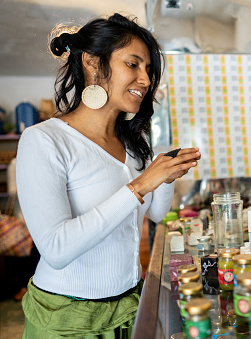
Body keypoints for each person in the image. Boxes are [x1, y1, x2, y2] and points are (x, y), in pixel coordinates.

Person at [16, 13, 200, 338]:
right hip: (66, 319)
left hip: (127, 306)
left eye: (148, 70)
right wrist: (141, 185)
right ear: (91, 62)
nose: (145, 79)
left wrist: (165, 175)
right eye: (133, 64)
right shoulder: (44, 140)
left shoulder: (133, 143)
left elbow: (155, 213)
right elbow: (56, 249)